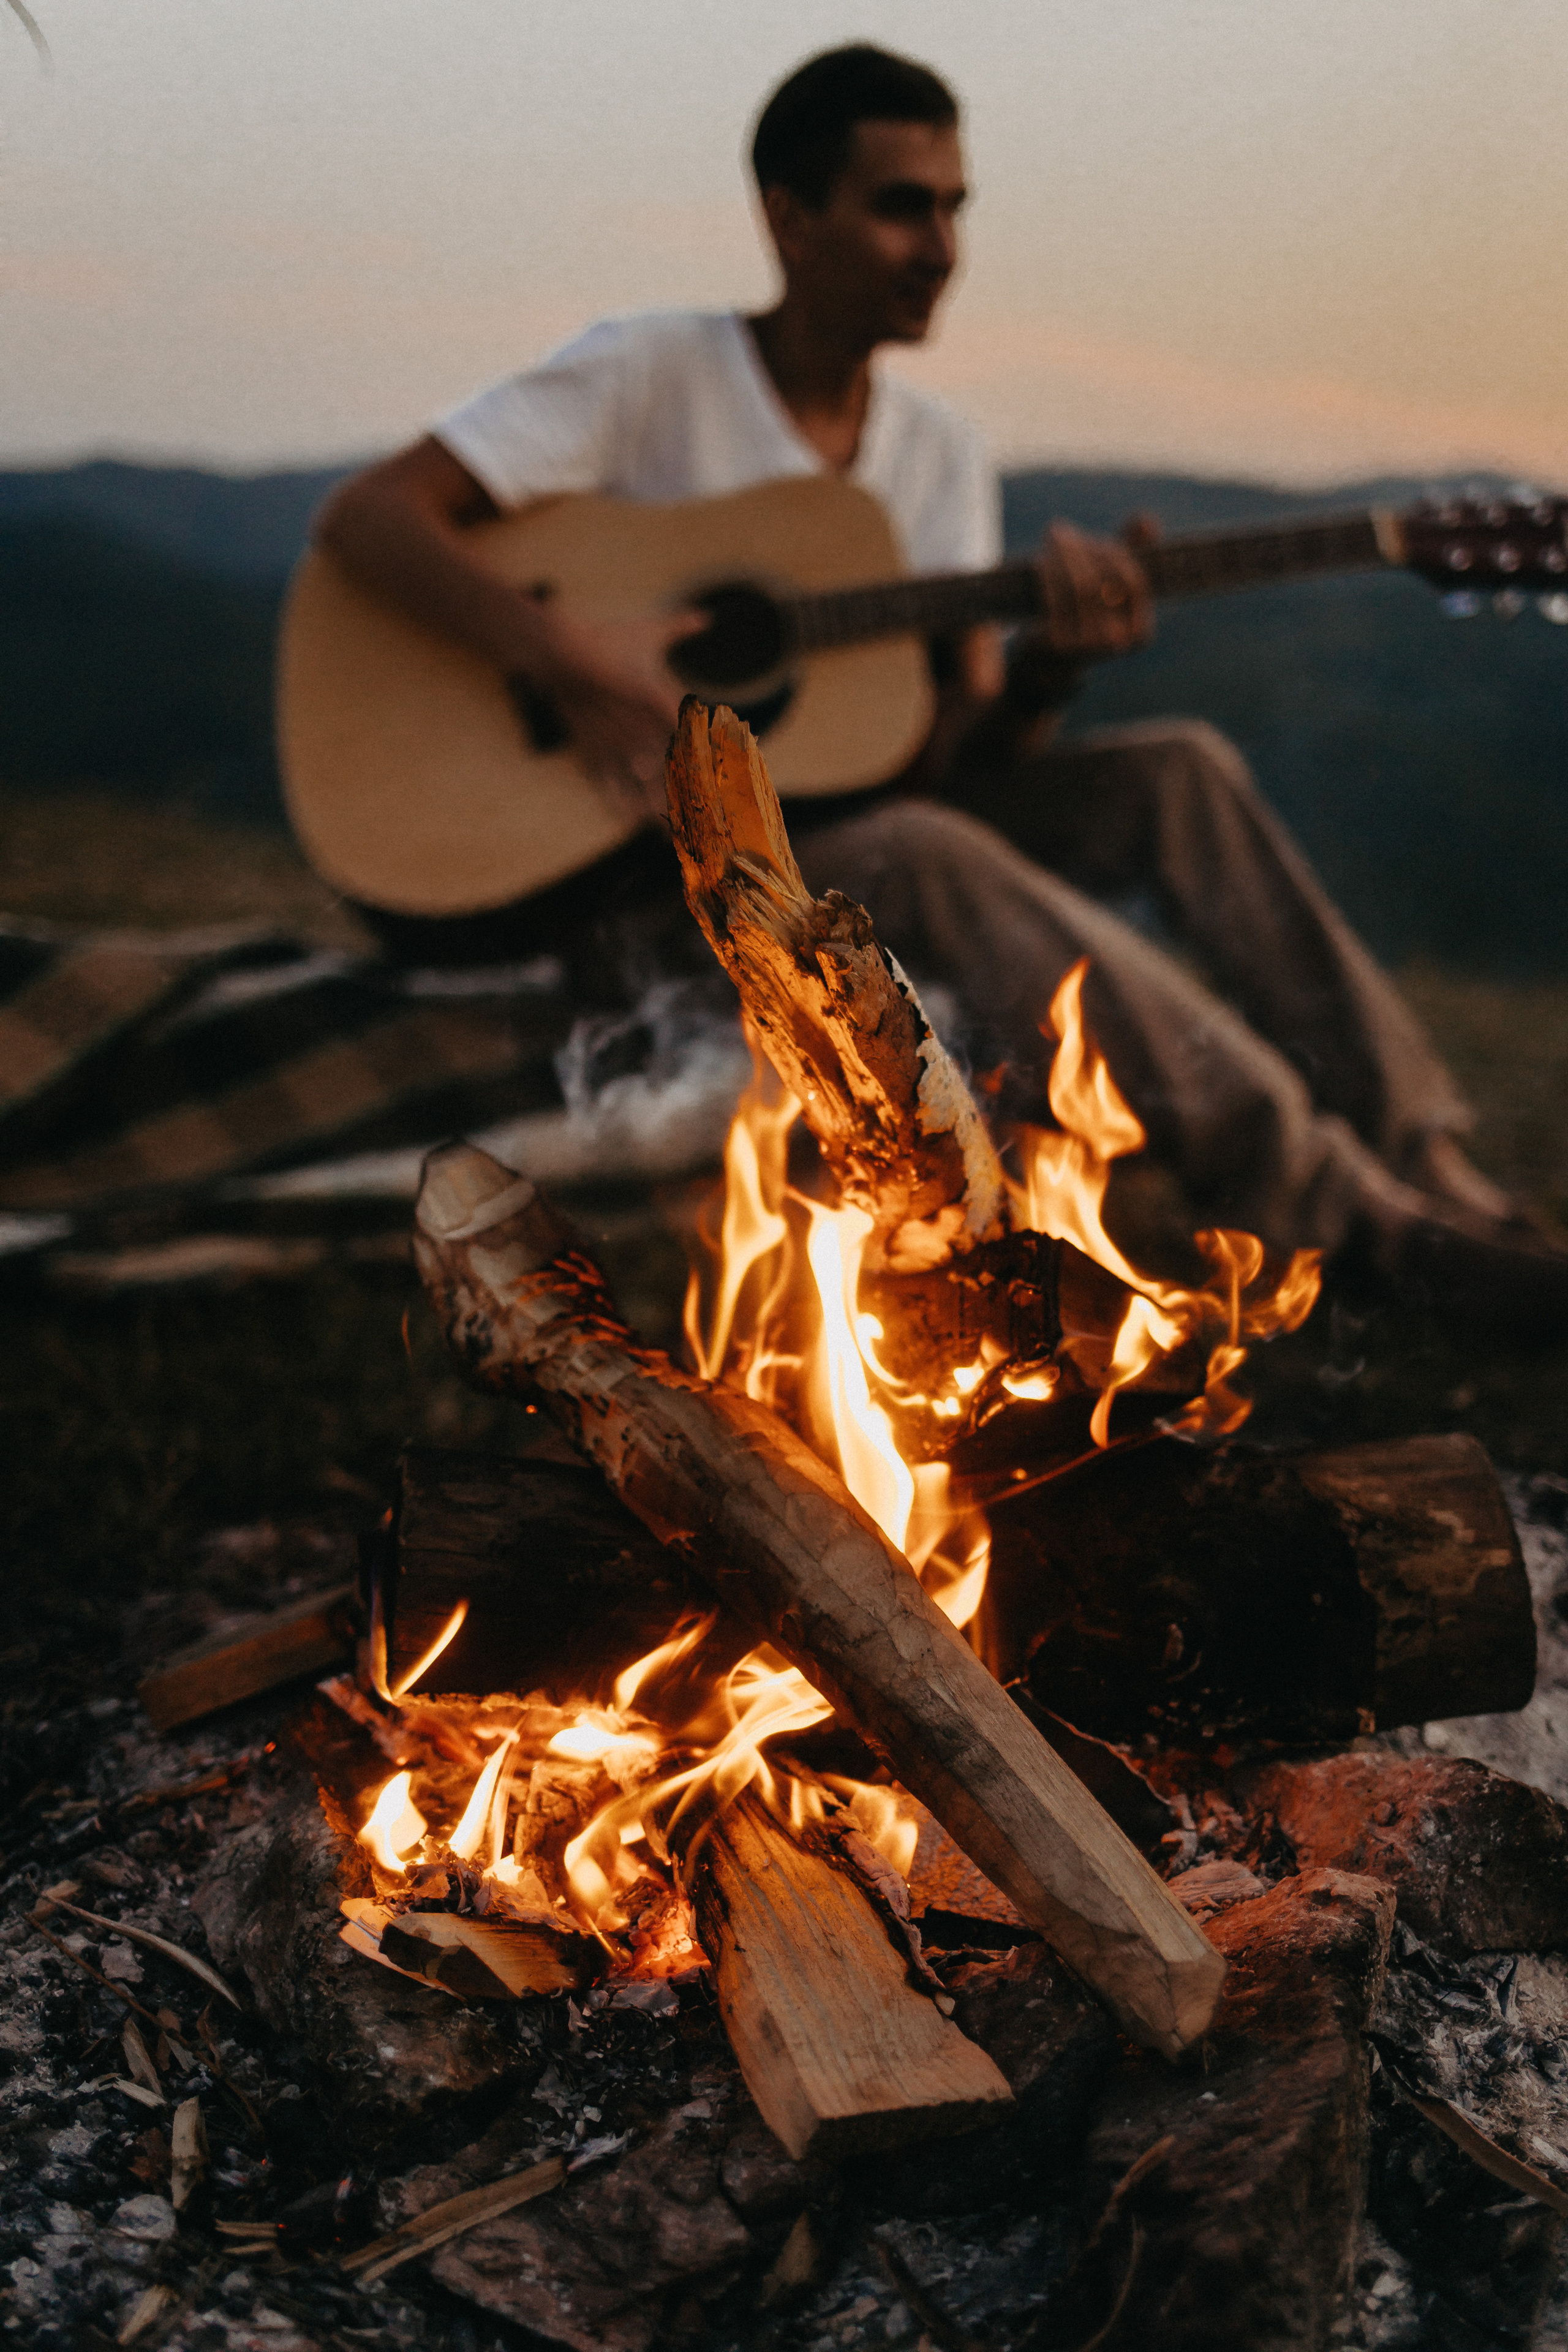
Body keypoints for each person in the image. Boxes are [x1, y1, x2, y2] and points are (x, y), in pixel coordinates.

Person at [317, 42, 1566, 1330]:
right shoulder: (651, 375)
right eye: (900, 205)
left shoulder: (934, 458)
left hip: (839, 863)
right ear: (787, 219)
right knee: (905, 849)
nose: (941, 246)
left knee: (1177, 767)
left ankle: (1439, 1182)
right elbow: (372, 518)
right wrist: (577, 667)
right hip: (620, 882)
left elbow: (959, 764)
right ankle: (1354, 1229)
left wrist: (1047, 666)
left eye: (954, 207)